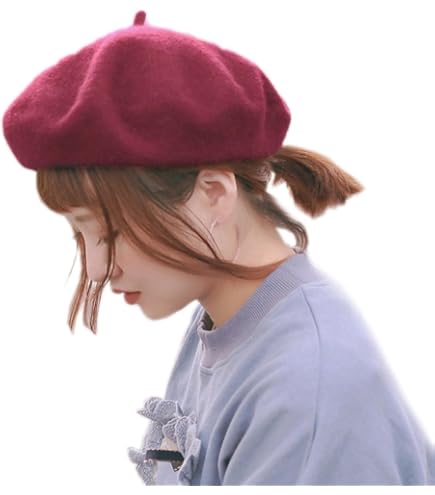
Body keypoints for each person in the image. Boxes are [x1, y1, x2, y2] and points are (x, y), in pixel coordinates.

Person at [2, 10, 434, 487]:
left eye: (109, 232)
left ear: (213, 195)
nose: (99, 268)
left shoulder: (309, 388)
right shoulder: (225, 316)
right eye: (79, 235)